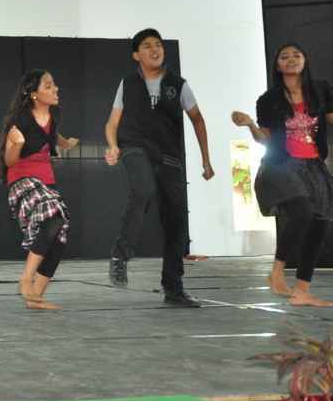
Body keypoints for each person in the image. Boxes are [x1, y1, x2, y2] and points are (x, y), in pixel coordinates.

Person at [105, 28, 214, 307]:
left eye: (158, 45)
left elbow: (198, 119)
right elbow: (112, 123)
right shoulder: (128, 83)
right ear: (136, 55)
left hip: (169, 156)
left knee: (176, 223)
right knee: (143, 188)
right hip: (134, 147)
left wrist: (206, 159)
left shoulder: (179, 84)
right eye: (147, 46)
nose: (155, 50)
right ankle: (120, 255)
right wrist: (113, 146)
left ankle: (173, 289)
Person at [232, 42, 333, 306]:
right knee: (302, 213)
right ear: (277, 66)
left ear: (305, 60)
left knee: (320, 223)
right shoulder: (269, 99)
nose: (291, 59)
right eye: (284, 57)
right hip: (281, 164)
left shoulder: (320, 90)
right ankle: (276, 272)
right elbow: (264, 138)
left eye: (296, 55)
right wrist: (250, 125)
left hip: (314, 166)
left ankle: (302, 291)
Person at [0, 70, 78, 310]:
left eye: (54, 84)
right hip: (23, 179)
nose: (56, 89)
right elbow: (9, 160)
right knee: (53, 219)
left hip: (46, 180)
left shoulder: (54, 113)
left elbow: (52, 134)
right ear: (34, 94)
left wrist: (66, 143)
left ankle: (36, 298)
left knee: (60, 234)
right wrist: (18, 143)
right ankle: (25, 280)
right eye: (48, 86)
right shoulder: (19, 120)